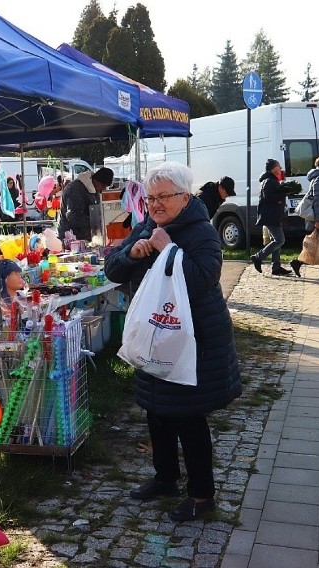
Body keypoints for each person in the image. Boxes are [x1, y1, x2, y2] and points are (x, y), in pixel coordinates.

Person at [103, 161, 242, 522]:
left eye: (163, 197)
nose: (155, 205)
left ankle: (201, 496)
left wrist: (167, 251)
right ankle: (166, 478)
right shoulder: (149, 225)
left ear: (184, 196)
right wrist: (131, 253)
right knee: (157, 413)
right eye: (150, 198)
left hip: (192, 341)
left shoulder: (202, 232)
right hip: (154, 337)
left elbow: (202, 279)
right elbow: (112, 269)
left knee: (188, 418)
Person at [250, 159, 292, 276]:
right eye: (279, 166)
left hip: (273, 215)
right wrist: (283, 193)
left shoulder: (271, 180)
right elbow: (268, 197)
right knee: (280, 240)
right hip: (270, 216)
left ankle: (276, 267)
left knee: (276, 240)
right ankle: (258, 257)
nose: (281, 168)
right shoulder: (269, 181)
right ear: (273, 168)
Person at [57, 167, 114, 241]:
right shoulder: (75, 189)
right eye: (103, 186)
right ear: (97, 181)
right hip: (70, 236)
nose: (103, 190)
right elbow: (74, 216)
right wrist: (96, 223)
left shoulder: (93, 189)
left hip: (82, 236)